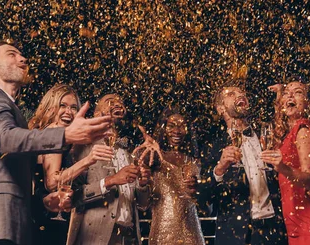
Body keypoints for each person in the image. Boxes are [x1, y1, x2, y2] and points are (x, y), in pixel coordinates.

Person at [0, 41, 111, 245]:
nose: (23, 59)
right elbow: (6, 139)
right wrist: (65, 135)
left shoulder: (10, 107)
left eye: (22, 56)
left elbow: (14, 171)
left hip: (14, 224)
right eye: (11, 54)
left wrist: (43, 203)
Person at [199, 82, 287, 245]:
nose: (240, 95)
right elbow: (202, 197)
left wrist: (280, 97)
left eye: (242, 93)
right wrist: (220, 168)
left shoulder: (266, 135)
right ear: (221, 108)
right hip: (234, 234)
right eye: (231, 94)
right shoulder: (213, 147)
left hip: (273, 229)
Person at [28, 84, 114, 244]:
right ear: (50, 108)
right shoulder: (53, 132)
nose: (68, 112)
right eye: (63, 106)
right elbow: (52, 182)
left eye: (74, 107)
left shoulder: (63, 140)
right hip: (47, 223)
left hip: (51, 217)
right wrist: (89, 160)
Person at [67, 93, 151, 245]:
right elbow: (73, 197)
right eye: (110, 101)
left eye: (120, 101)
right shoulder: (84, 146)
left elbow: (143, 205)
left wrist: (142, 184)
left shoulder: (130, 151)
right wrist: (111, 181)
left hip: (129, 237)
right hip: (96, 238)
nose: (117, 103)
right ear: (97, 114)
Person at [262, 78, 310, 245]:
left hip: (309, 220)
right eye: (287, 93)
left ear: (308, 103)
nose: (290, 96)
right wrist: (280, 94)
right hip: (293, 220)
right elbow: (281, 113)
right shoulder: (288, 132)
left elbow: (308, 177)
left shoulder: (303, 128)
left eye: (298, 93)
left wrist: (281, 167)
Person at [137, 107, 205, 245]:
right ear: (163, 129)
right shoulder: (154, 157)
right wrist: (145, 149)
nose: (177, 131)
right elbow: (142, 203)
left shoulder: (194, 162)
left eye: (182, 126)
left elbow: (206, 208)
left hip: (193, 236)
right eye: (171, 126)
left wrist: (198, 192)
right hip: (162, 235)